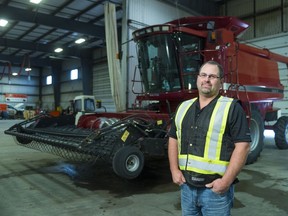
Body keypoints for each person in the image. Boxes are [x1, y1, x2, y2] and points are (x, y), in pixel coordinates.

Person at [168, 60, 251, 216]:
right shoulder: (183, 107)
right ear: (197, 78)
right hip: (186, 188)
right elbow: (174, 138)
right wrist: (174, 170)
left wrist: (226, 182)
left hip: (215, 191)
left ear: (220, 82)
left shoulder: (232, 108)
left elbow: (243, 146)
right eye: (203, 75)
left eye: (212, 76)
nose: (206, 79)